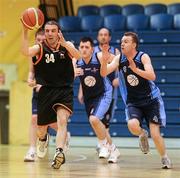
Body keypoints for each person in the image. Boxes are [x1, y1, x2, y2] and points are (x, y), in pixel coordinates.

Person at [100, 32, 172, 169]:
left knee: (155, 134)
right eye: (121, 41)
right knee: (132, 125)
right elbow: (104, 73)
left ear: (134, 44)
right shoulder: (119, 59)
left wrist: (135, 70)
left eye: (126, 41)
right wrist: (104, 60)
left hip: (151, 100)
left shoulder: (143, 57)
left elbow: (152, 76)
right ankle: (142, 133)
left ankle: (164, 158)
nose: (122, 43)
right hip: (133, 101)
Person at [21, 20, 81, 169]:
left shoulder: (67, 46)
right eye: (47, 31)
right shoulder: (40, 48)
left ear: (58, 32)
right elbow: (25, 52)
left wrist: (65, 43)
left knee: (62, 121)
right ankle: (43, 139)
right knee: (41, 129)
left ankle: (59, 152)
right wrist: (24, 30)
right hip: (46, 91)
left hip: (64, 90)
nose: (49, 34)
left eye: (53, 30)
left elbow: (78, 56)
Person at [76, 37, 120, 163]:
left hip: (104, 94)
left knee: (94, 119)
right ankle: (113, 149)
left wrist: (120, 77)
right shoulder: (77, 61)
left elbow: (119, 61)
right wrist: (71, 73)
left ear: (92, 49)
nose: (84, 49)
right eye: (82, 47)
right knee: (97, 125)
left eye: (87, 47)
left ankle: (103, 145)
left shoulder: (99, 56)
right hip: (89, 97)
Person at [94, 28, 120, 159]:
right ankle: (107, 146)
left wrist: (119, 79)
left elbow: (123, 69)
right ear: (98, 37)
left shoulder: (115, 52)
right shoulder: (92, 51)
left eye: (105, 35)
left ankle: (105, 146)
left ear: (109, 38)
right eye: (101, 35)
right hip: (94, 91)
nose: (103, 37)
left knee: (105, 122)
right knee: (96, 119)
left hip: (109, 92)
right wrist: (82, 90)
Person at [24, 29, 45, 162]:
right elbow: (32, 71)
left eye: (43, 41)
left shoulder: (52, 55)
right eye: (38, 40)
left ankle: (65, 134)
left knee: (51, 124)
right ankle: (31, 150)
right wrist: (30, 79)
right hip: (38, 92)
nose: (41, 43)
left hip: (52, 92)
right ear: (35, 41)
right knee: (34, 118)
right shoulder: (33, 55)